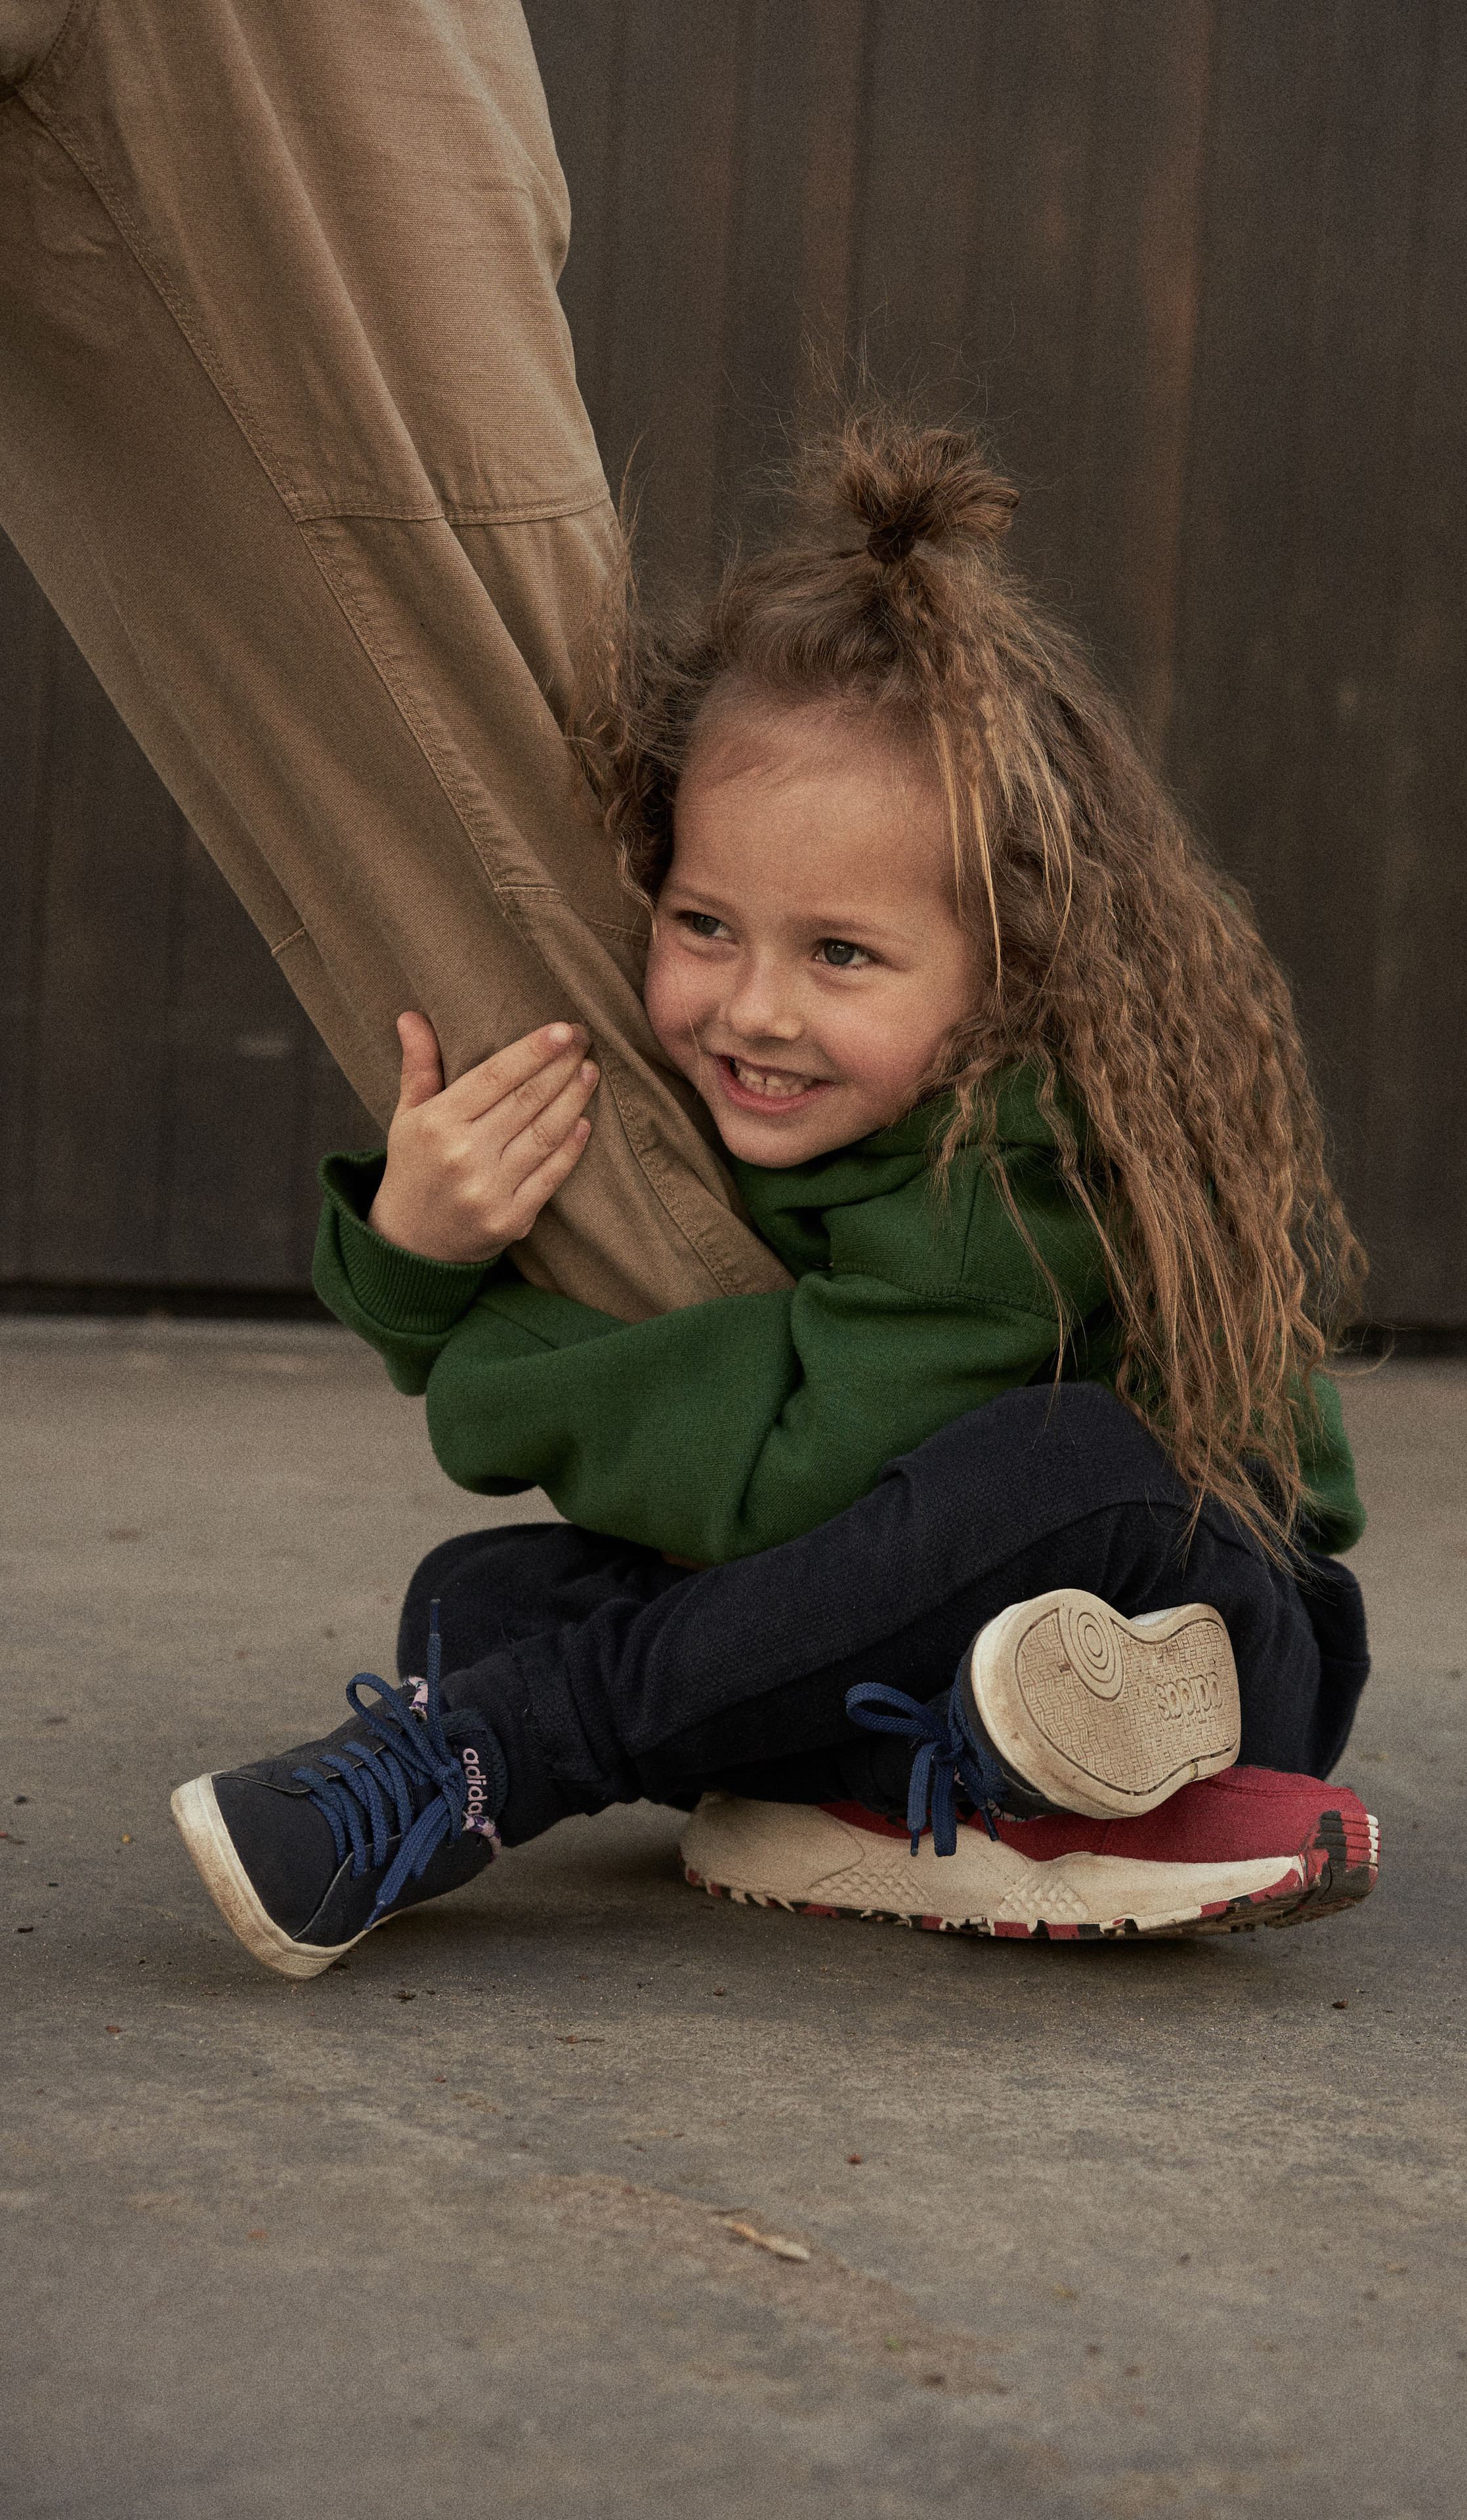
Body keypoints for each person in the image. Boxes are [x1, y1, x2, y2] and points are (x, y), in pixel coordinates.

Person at [169, 412, 1380, 1977]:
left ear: (1010, 965)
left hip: (1207, 1631)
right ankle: (971, 1787)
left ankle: (488, 1761)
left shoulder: (1017, 1162)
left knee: (1073, 1460)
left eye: (840, 953)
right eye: (702, 924)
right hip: (941, 1627)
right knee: (472, 1604)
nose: (753, 1009)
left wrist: (462, 1350)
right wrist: (416, 1251)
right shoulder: (795, 1103)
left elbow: (787, 1490)